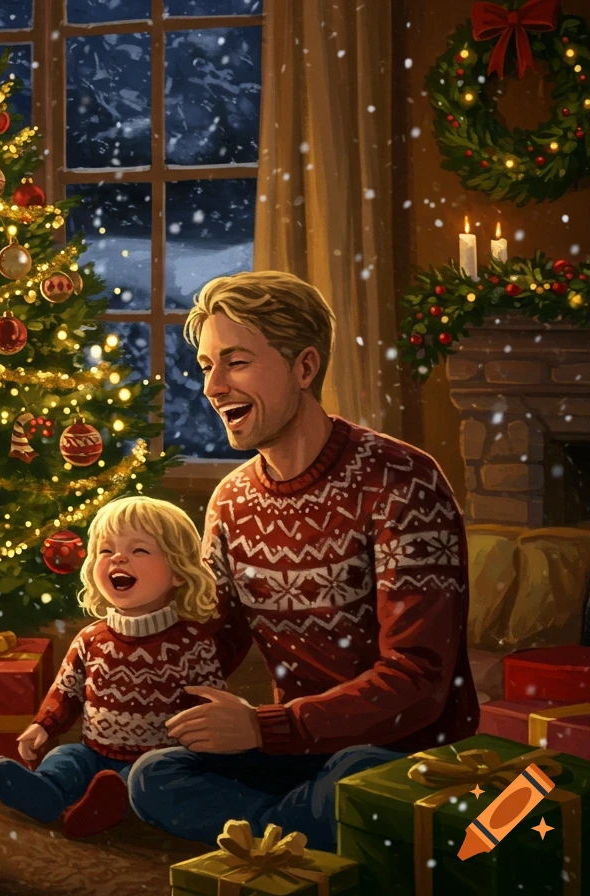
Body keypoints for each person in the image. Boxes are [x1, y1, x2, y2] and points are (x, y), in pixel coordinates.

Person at [128, 270, 477, 850]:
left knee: (353, 780)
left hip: (398, 749)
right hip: (296, 751)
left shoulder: (401, 480)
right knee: (155, 776)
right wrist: (131, 650)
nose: (213, 386)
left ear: (305, 367)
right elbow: (212, 642)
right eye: (208, 365)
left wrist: (269, 727)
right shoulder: (232, 501)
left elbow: (419, 680)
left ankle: (278, 841)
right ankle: (307, 837)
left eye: (236, 362)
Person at [0, 496, 226, 839]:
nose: (118, 558)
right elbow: (66, 690)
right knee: (65, 757)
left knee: (148, 779)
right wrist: (42, 727)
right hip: (94, 752)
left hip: (156, 762)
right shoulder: (90, 639)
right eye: (106, 551)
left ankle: (107, 806)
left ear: (178, 572)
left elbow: (210, 706)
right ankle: (45, 793)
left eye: (140, 551)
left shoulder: (191, 643)